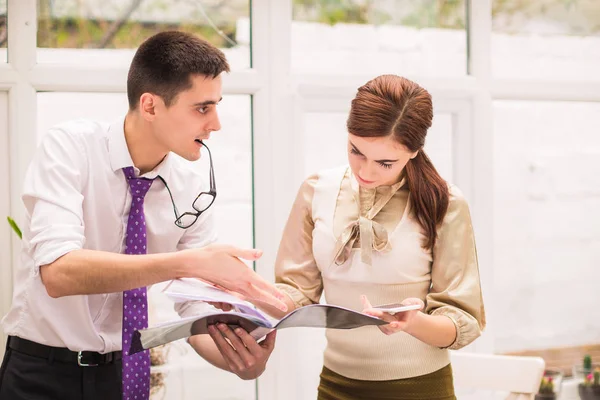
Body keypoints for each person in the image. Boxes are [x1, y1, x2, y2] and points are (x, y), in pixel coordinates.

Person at [0, 31, 286, 400]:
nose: (215, 123)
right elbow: (59, 272)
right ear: (150, 106)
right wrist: (192, 262)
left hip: (125, 374)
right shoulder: (69, 147)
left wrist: (241, 359)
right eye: (202, 108)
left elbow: (192, 306)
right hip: (42, 373)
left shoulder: (190, 188)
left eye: (216, 105)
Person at [255, 75, 485, 399]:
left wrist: (412, 322)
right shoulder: (316, 191)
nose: (366, 171)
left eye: (385, 163)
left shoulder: (444, 204)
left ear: (414, 151)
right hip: (335, 386)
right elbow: (296, 292)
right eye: (356, 151)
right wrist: (246, 296)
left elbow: (462, 320)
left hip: (420, 389)